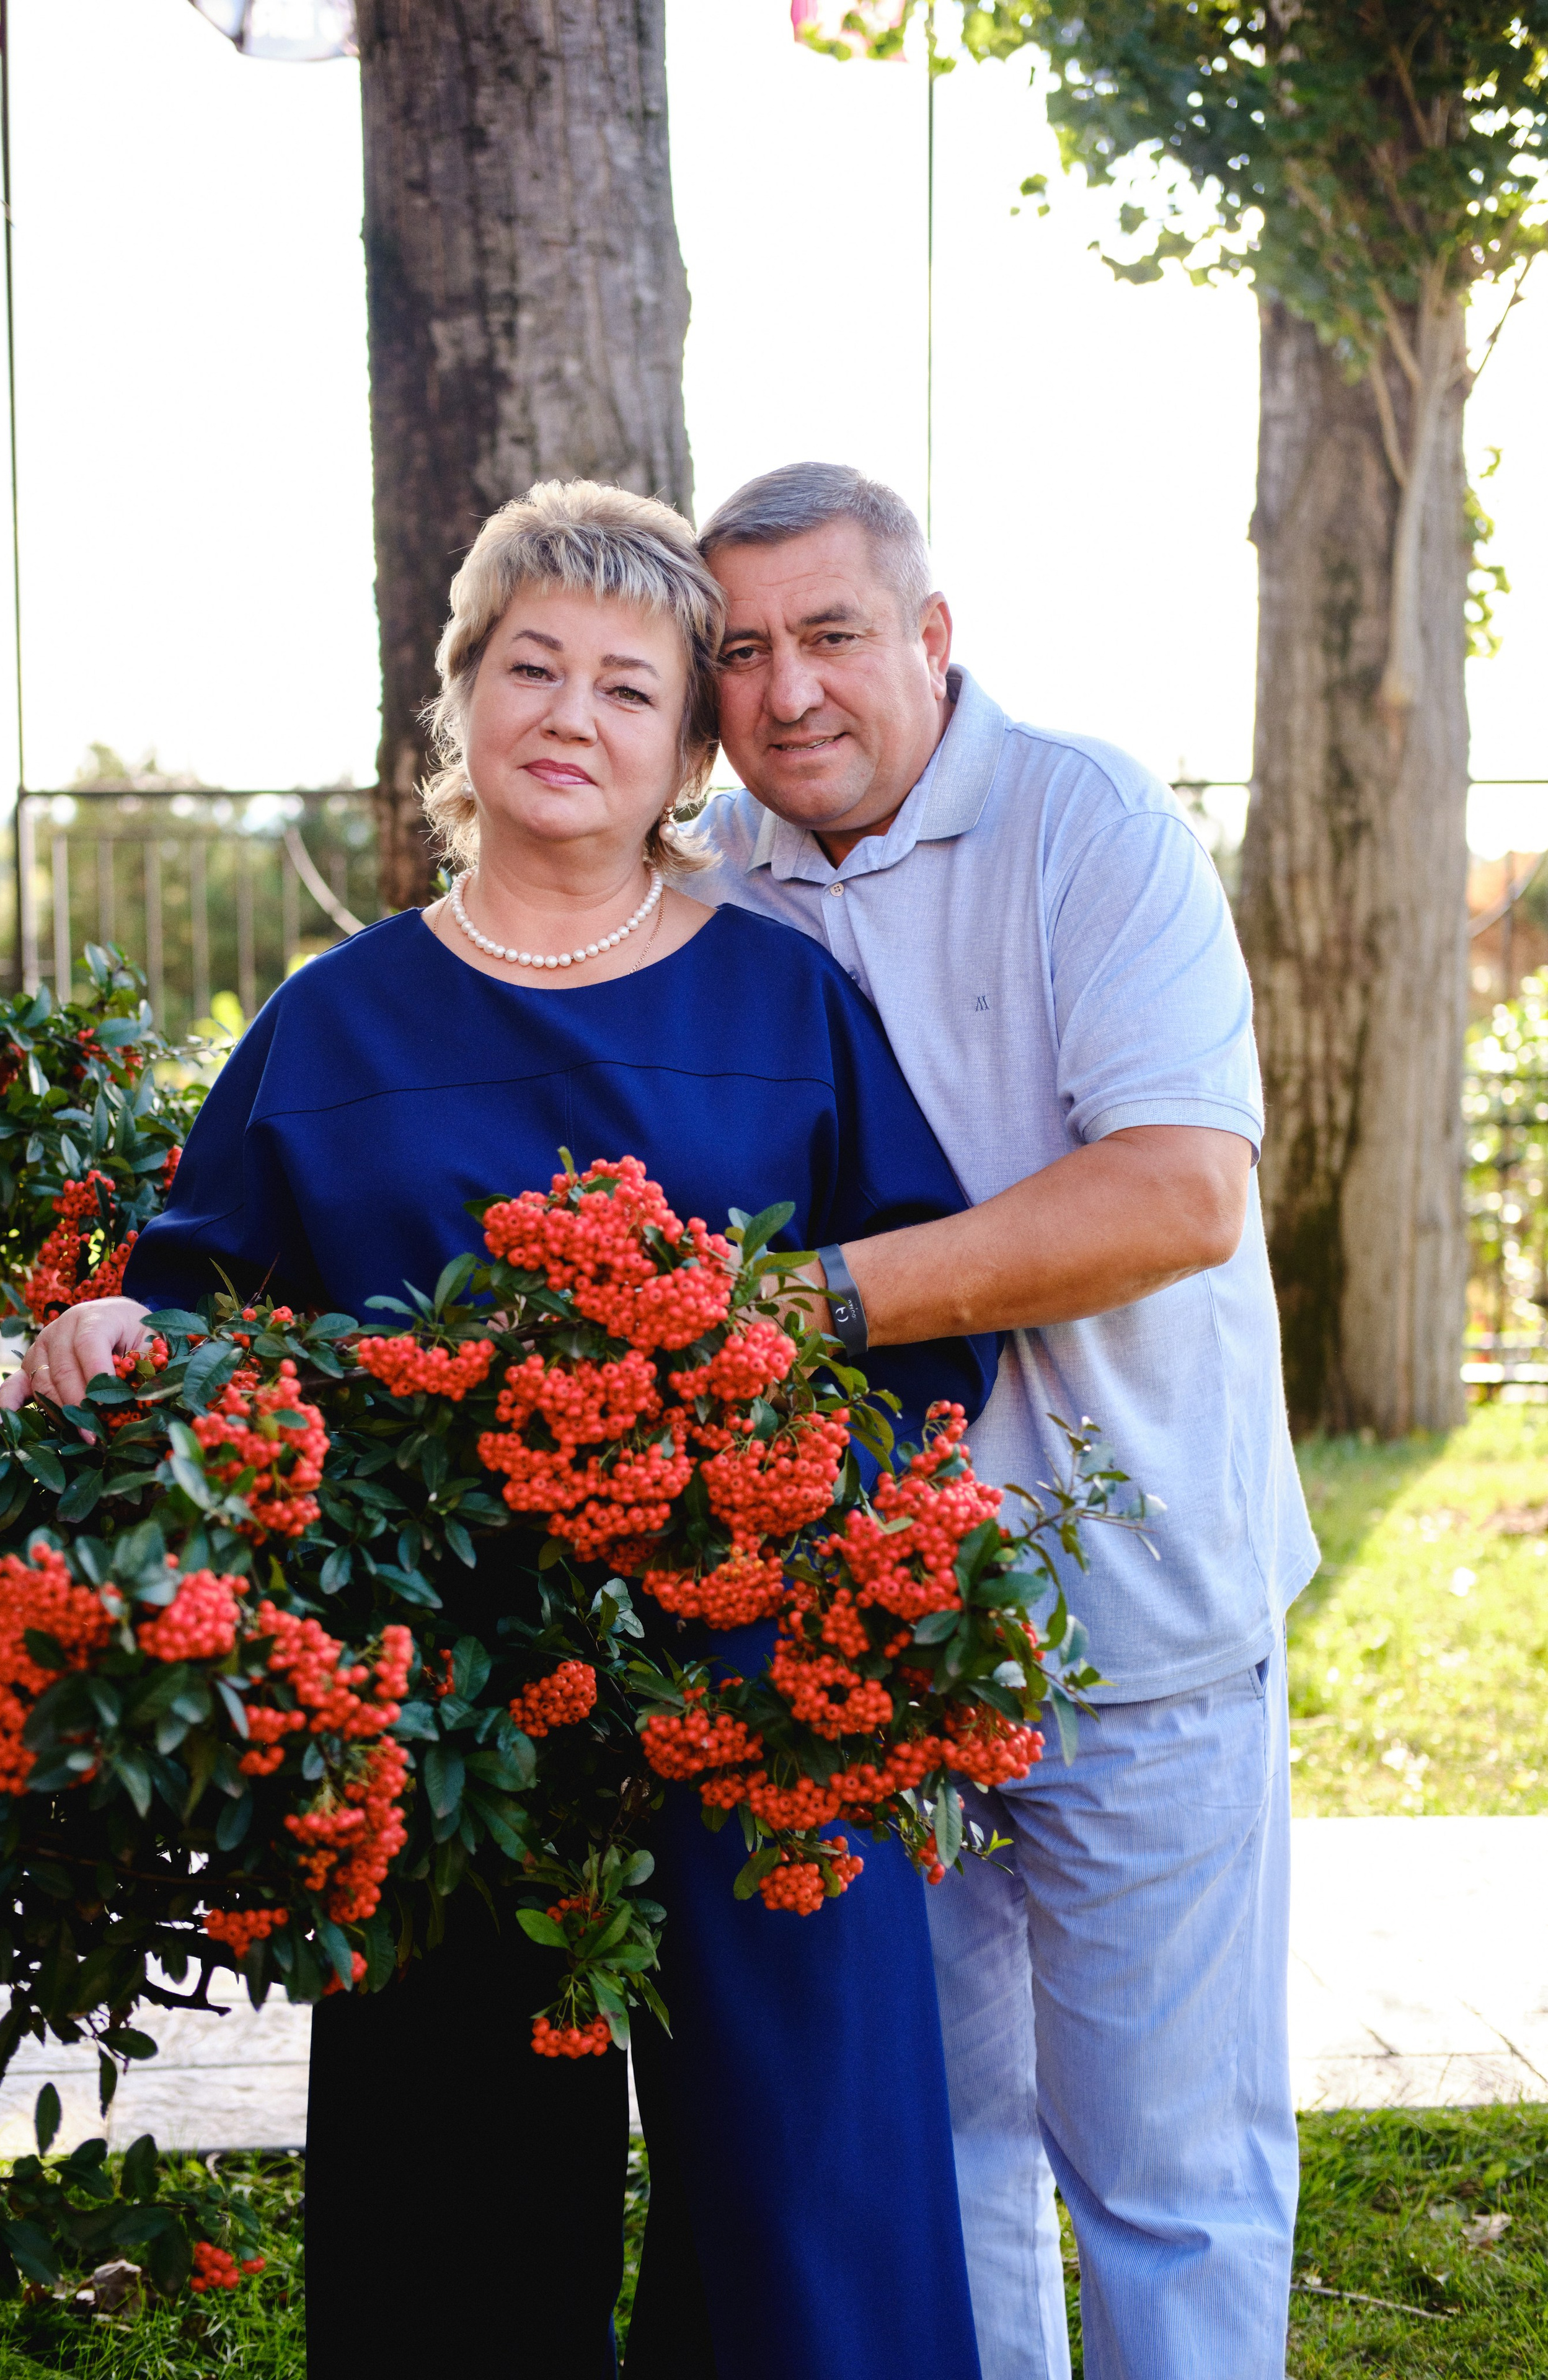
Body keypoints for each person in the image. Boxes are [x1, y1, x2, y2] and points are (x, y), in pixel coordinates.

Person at [0, 480, 994, 2380]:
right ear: (458, 696)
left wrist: (806, 1536)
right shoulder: (336, 1020)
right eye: (532, 666)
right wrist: (124, 1328)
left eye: (631, 687)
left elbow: (919, 1328)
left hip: (750, 1687)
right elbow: (206, 1302)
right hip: (438, 1711)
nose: (572, 716)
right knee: (451, 2223)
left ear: (689, 752)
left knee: (805, 2216)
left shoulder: (786, 1000)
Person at [691, 461, 1317, 2380]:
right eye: (741, 652)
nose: (788, 689)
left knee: (1170, 2174)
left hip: (1142, 1608)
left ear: (934, 637)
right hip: (869, 1634)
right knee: (942, 2151)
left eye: (832, 634)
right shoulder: (711, 875)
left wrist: (826, 1300)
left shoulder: (1087, 822)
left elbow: (1179, 1194)